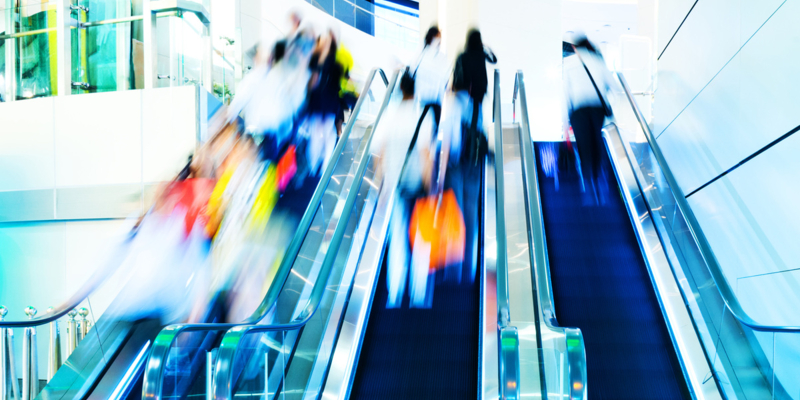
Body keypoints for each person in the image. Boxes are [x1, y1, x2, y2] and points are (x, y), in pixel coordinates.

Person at [374, 69, 435, 308]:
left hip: (396, 183)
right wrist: (431, 186)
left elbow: (380, 152)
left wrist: (381, 185)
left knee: (397, 236)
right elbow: (426, 154)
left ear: (399, 90)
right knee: (421, 237)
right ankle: (418, 293)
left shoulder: (389, 116)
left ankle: (395, 293)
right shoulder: (423, 115)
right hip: (418, 183)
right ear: (415, 91)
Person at [562, 32, 614, 204]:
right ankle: (602, 186)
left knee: (585, 148)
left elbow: (565, 95)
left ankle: (589, 192)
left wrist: (564, 122)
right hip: (597, 109)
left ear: (575, 48)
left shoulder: (568, 64)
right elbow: (612, 85)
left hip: (578, 111)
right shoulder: (598, 61)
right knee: (596, 143)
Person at [453, 29, 497, 132]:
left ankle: (468, 138)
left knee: (466, 115)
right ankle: (476, 138)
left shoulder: (463, 55)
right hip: (480, 89)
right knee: (477, 114)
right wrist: (487, 47)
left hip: (465, 89)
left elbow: (456, 72)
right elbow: (494, 60)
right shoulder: (481, 54)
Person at [413, 26, 449, 132]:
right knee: (427, 127)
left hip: (430, 97)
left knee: (425, 127)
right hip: (427, 97)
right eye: (438, 37)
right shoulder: (424, 52)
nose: (439, 40)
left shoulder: (424, 52)